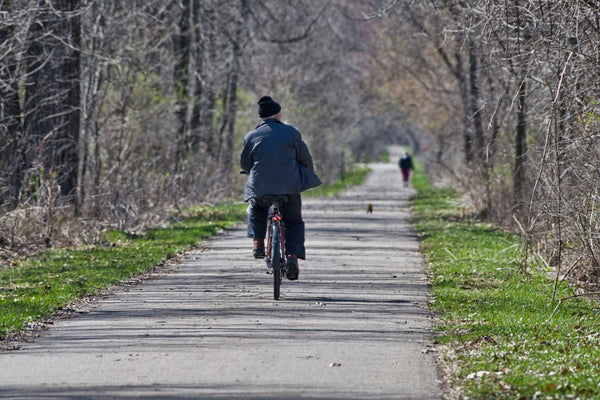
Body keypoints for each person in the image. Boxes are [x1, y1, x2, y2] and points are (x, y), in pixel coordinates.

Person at [240, 96, 321, 281]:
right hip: (289, 187)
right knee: (293, 222)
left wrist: (249, 171)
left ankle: (258, 244)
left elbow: (245, 163)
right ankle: (292, 257)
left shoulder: (251, 136)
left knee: (257, 207)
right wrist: (309, 168)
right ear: (277, 114)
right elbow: (304, 158)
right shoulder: (291, 133)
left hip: (260, 187)